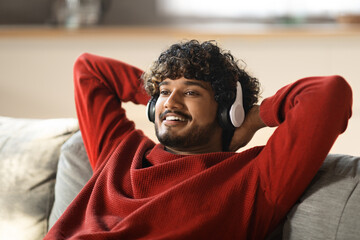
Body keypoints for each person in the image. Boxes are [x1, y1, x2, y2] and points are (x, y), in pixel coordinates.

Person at [45, 40, 352, 239]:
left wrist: (253, 118)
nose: (171, 101)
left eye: (191, 92)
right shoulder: (121, 150)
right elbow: (89, 69)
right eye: (164, 92)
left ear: (227, 110)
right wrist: (159, 95)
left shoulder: (254, 179)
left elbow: (329, 94)